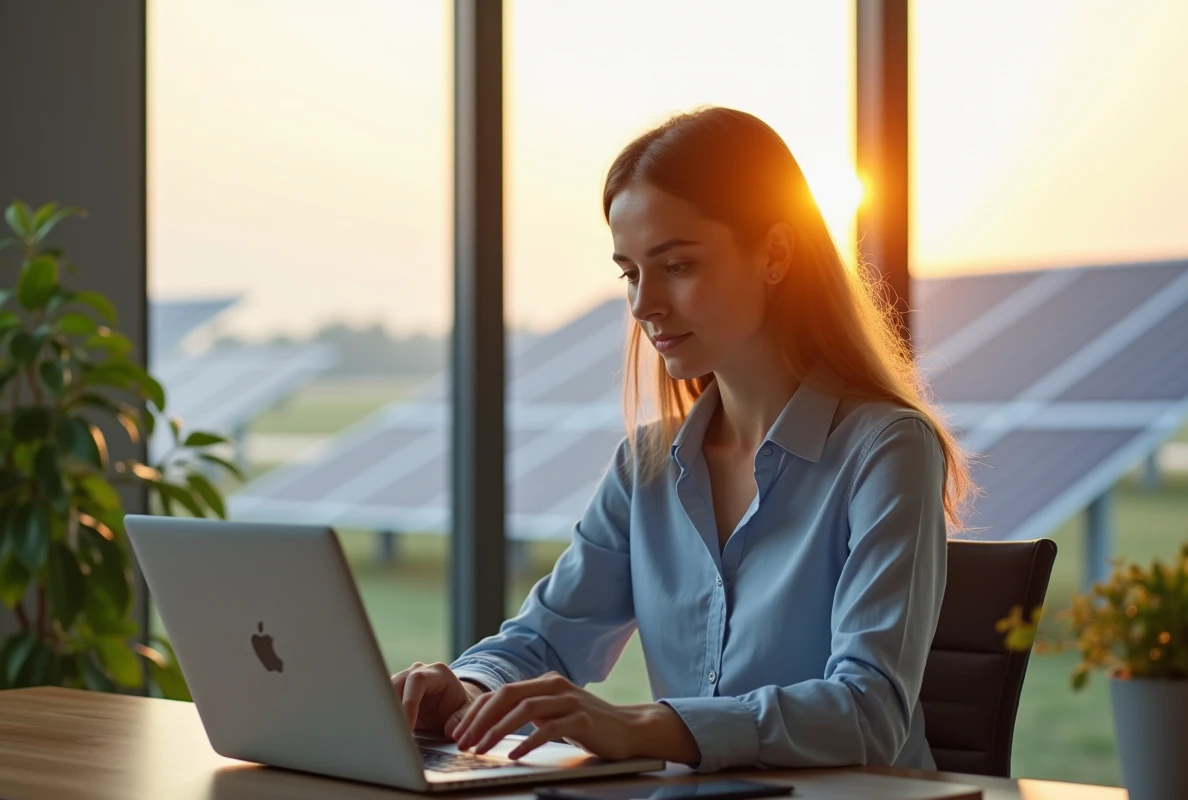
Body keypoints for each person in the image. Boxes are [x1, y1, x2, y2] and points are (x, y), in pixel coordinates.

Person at [391, 106, 972, 772]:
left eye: (677, 266)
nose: (642, 306)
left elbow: (868, 715)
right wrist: (466, 687)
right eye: (631, 273)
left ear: (775, 254)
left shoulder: (886, 449)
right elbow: (544, 641)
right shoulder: (646, 468)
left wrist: (644, 726)